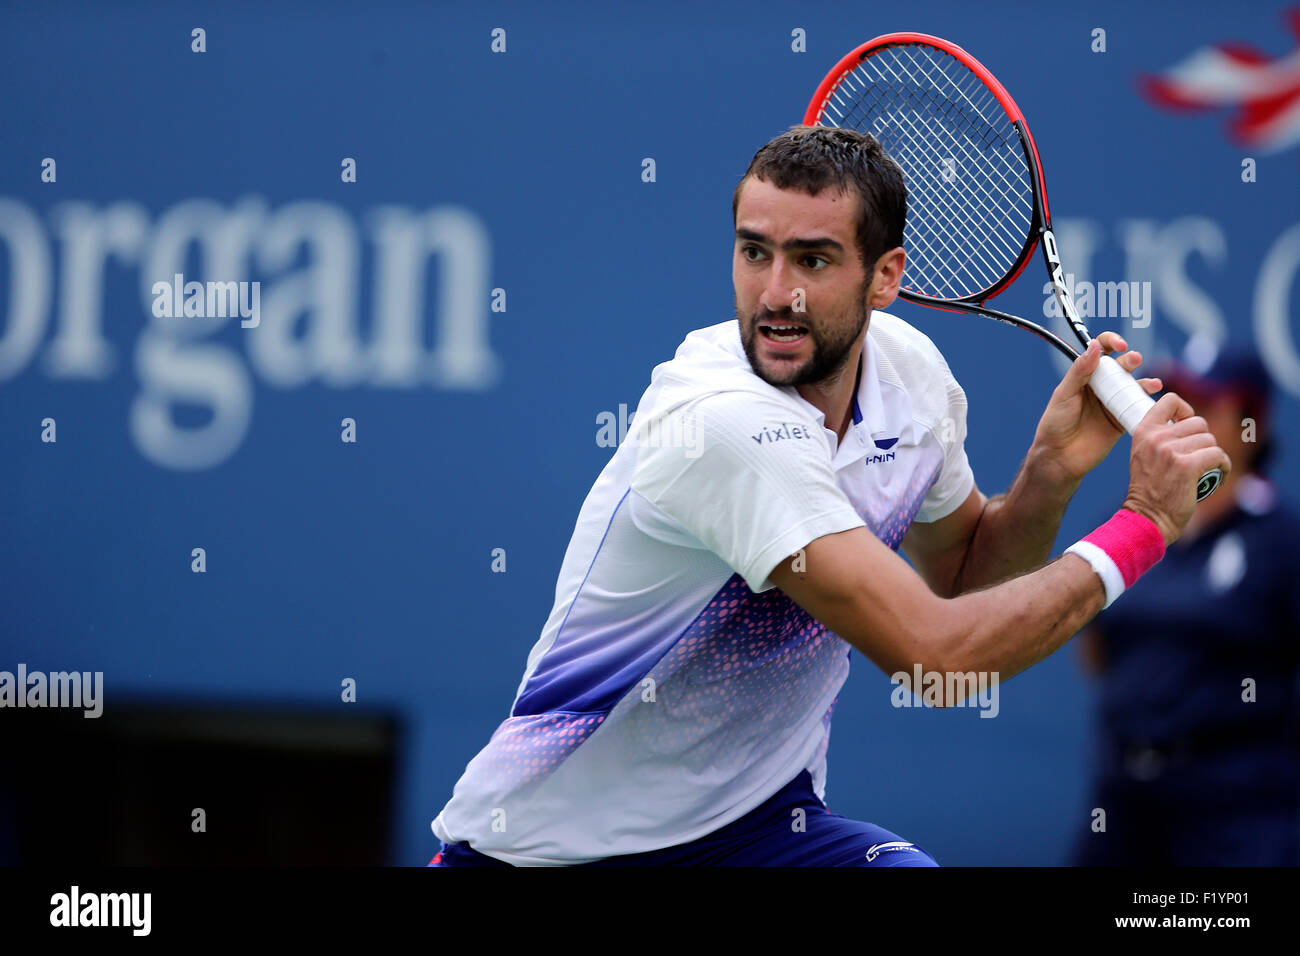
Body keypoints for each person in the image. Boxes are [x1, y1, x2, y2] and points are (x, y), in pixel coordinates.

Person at [428, 125, 1229, 867]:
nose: (776, 293)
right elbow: (938, 656)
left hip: (756, 830)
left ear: (886, 276)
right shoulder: (721, 427)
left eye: (811, 260)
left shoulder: (912, 380)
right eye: (754, 252)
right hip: (544, 853)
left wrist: (1049, 476)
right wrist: (1146, 524)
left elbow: (965, 580)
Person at [1072, 337, 1300, 866]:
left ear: (1253, 425)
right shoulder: (1129, 524)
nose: (1189, 416)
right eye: (1180, 398)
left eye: (1211, 403)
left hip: (1238, 809)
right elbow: (1096, 650)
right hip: (1123, 800)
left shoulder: (1282, 541)